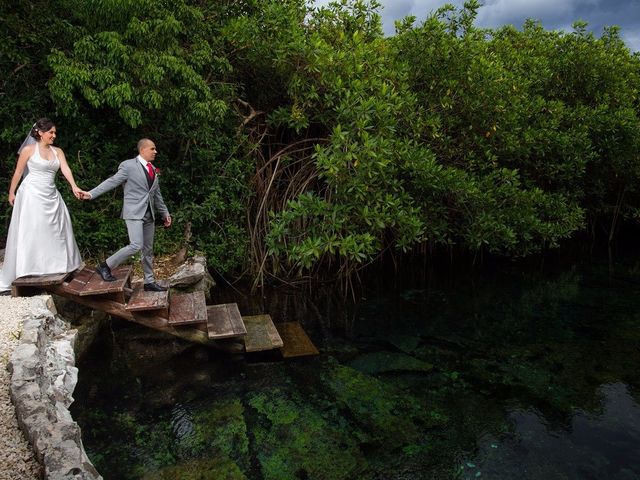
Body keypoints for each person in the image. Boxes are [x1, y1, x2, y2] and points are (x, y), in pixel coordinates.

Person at [0, 118, 84, 293]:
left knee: (56, 227)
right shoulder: (28, 150)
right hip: (31, 193)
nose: (54, 135)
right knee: (35, 228)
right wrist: (11, 192)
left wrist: (74, 186)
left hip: (51, 192)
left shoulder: (58, 151)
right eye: (50, 132)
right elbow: (18, 171)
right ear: (39, 132)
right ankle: (29, 267)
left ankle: (57, 265)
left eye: (54, 132)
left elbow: (65, 169)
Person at [79, 138, 171, 291]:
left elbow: (157, 195)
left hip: (149, 215)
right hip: (134, 212)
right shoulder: (128, 166)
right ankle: (105, 265)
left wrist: (165, 213)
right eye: (152, 149)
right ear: (142, 150)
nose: (155, 152)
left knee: (148, 249)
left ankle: (149, 282)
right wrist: (90, 194)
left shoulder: (153, 169)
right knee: (136, 245)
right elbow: (112, 181)